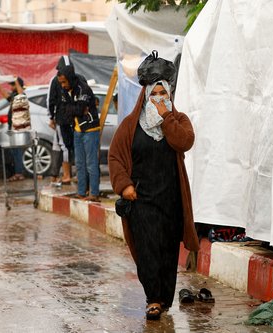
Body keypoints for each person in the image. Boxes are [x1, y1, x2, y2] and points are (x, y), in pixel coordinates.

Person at [108, 80, 200, 320]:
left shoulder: (179, 121)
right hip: (142, 199)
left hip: (171, 199)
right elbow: (116, 157)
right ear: (145, 97)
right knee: (147, 249)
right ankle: (153, 299)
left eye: (163, 94)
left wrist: (166, 117)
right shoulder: (130, 125)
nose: (159, 99)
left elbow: (184, 142)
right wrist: (124, 185)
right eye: (154, 95)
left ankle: (164, 298)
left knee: (167, 251)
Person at [57, 64, 100, 202]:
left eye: (64, 82)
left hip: (90, 130)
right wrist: (76, 109)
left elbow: (79, 109)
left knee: (91, 163)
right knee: (79, 163)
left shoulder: (83, 89)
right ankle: (81, 192)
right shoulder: (65, 91)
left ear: (70, 78)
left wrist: (75, 109)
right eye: (61, 83)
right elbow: (64, 110)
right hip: (77, 130)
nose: (63, 85)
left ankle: (94, 193)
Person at [47, 55, 85, 186]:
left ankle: (67, 175)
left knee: (65, 147)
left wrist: (52, 117)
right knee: (68, 146)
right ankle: (60, 175)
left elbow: (51, 101)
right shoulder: (80, 78)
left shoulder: (55, 81)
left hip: (63, 119)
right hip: (76, 119)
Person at [0, 77, 26, 181]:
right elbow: (7, 97)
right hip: (12, 126)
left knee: (17, 150)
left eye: (13, 85)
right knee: (14, 150)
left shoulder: (21, 96)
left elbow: (21, 92)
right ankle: (17, 172)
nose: (12, 87)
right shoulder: (14, 96)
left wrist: (16, 80)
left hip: (17, 127)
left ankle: (19, 173)